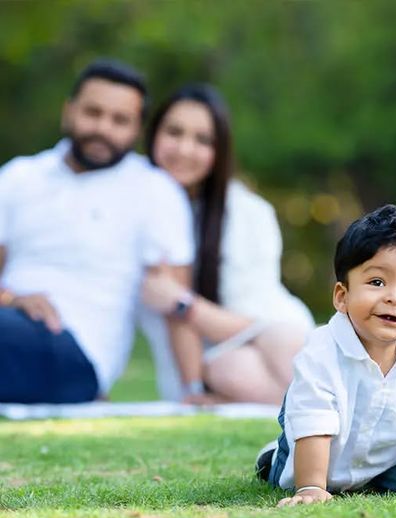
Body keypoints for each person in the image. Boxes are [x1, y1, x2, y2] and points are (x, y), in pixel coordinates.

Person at [0, 58, 201, 404]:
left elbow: (175, 301)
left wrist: (192, 389)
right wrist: (12, 299)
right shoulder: (19, 177)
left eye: (119, 120)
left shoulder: (155, 190)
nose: (103, 128)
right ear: (68, 111)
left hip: (77, 351)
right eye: (93, 113)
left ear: (137, 130)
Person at [140, 83, 314, 404]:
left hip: (268, 342)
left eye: (202, 140)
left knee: (281, 349)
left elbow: (254, 324)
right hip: (215, 365)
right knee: (228, 369)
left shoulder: (248, 212)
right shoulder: (141, 209)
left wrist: (181, 303)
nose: (185, 149)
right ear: (153, 136)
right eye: (174, 133)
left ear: (219, 151)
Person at [256, 204, 396, 506]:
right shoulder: (321, 353)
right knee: (287, 468)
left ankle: (380, 476)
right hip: (318, 448)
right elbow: (313, 421)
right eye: (377, 282)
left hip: (383, 454)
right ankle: (273, 455)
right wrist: (311, 487)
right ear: (342, 297)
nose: (394, 298)